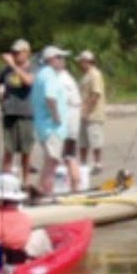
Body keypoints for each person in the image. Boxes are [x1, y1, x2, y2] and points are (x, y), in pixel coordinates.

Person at [32, 46, 73, 196]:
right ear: (51, 60)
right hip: (51, 127)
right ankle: (45, 192)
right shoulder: (49, 75)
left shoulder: (42, 74)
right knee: (53, 161)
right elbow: (50, 97)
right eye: (60, 57)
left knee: (50, 161)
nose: (63, 61)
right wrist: (56, 116)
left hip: (44, 126)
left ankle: (40, 189)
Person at [0, 40, 37, 187]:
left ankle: (25, 182)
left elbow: (28, 82)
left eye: (17, 53)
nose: (14, 55)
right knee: (8, 150)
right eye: (13, 53)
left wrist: (13, 66)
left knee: (26, 152)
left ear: (27, 53)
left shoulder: (32, 68)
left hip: (26, 114)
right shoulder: (5, 70)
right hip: (9, 113)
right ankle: (5, 183)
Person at [57, 54, 86, 193]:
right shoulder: (68, 78)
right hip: (71, 123)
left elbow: (60, 102)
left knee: (68, 156)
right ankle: (75, 184)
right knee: (69, 155)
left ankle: (75, 186)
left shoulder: (61, 80)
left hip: (67, 124)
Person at [78, 50, 107, 172]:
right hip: (83, 113)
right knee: (83, 141)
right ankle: (83, 164)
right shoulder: (85, 75)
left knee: (95, 140)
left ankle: (98, 163)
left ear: (87, 61)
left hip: (94, 114)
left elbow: (96, 94)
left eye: (81, 61)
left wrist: (86, 110)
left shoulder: (95, 74)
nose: (79, 64)